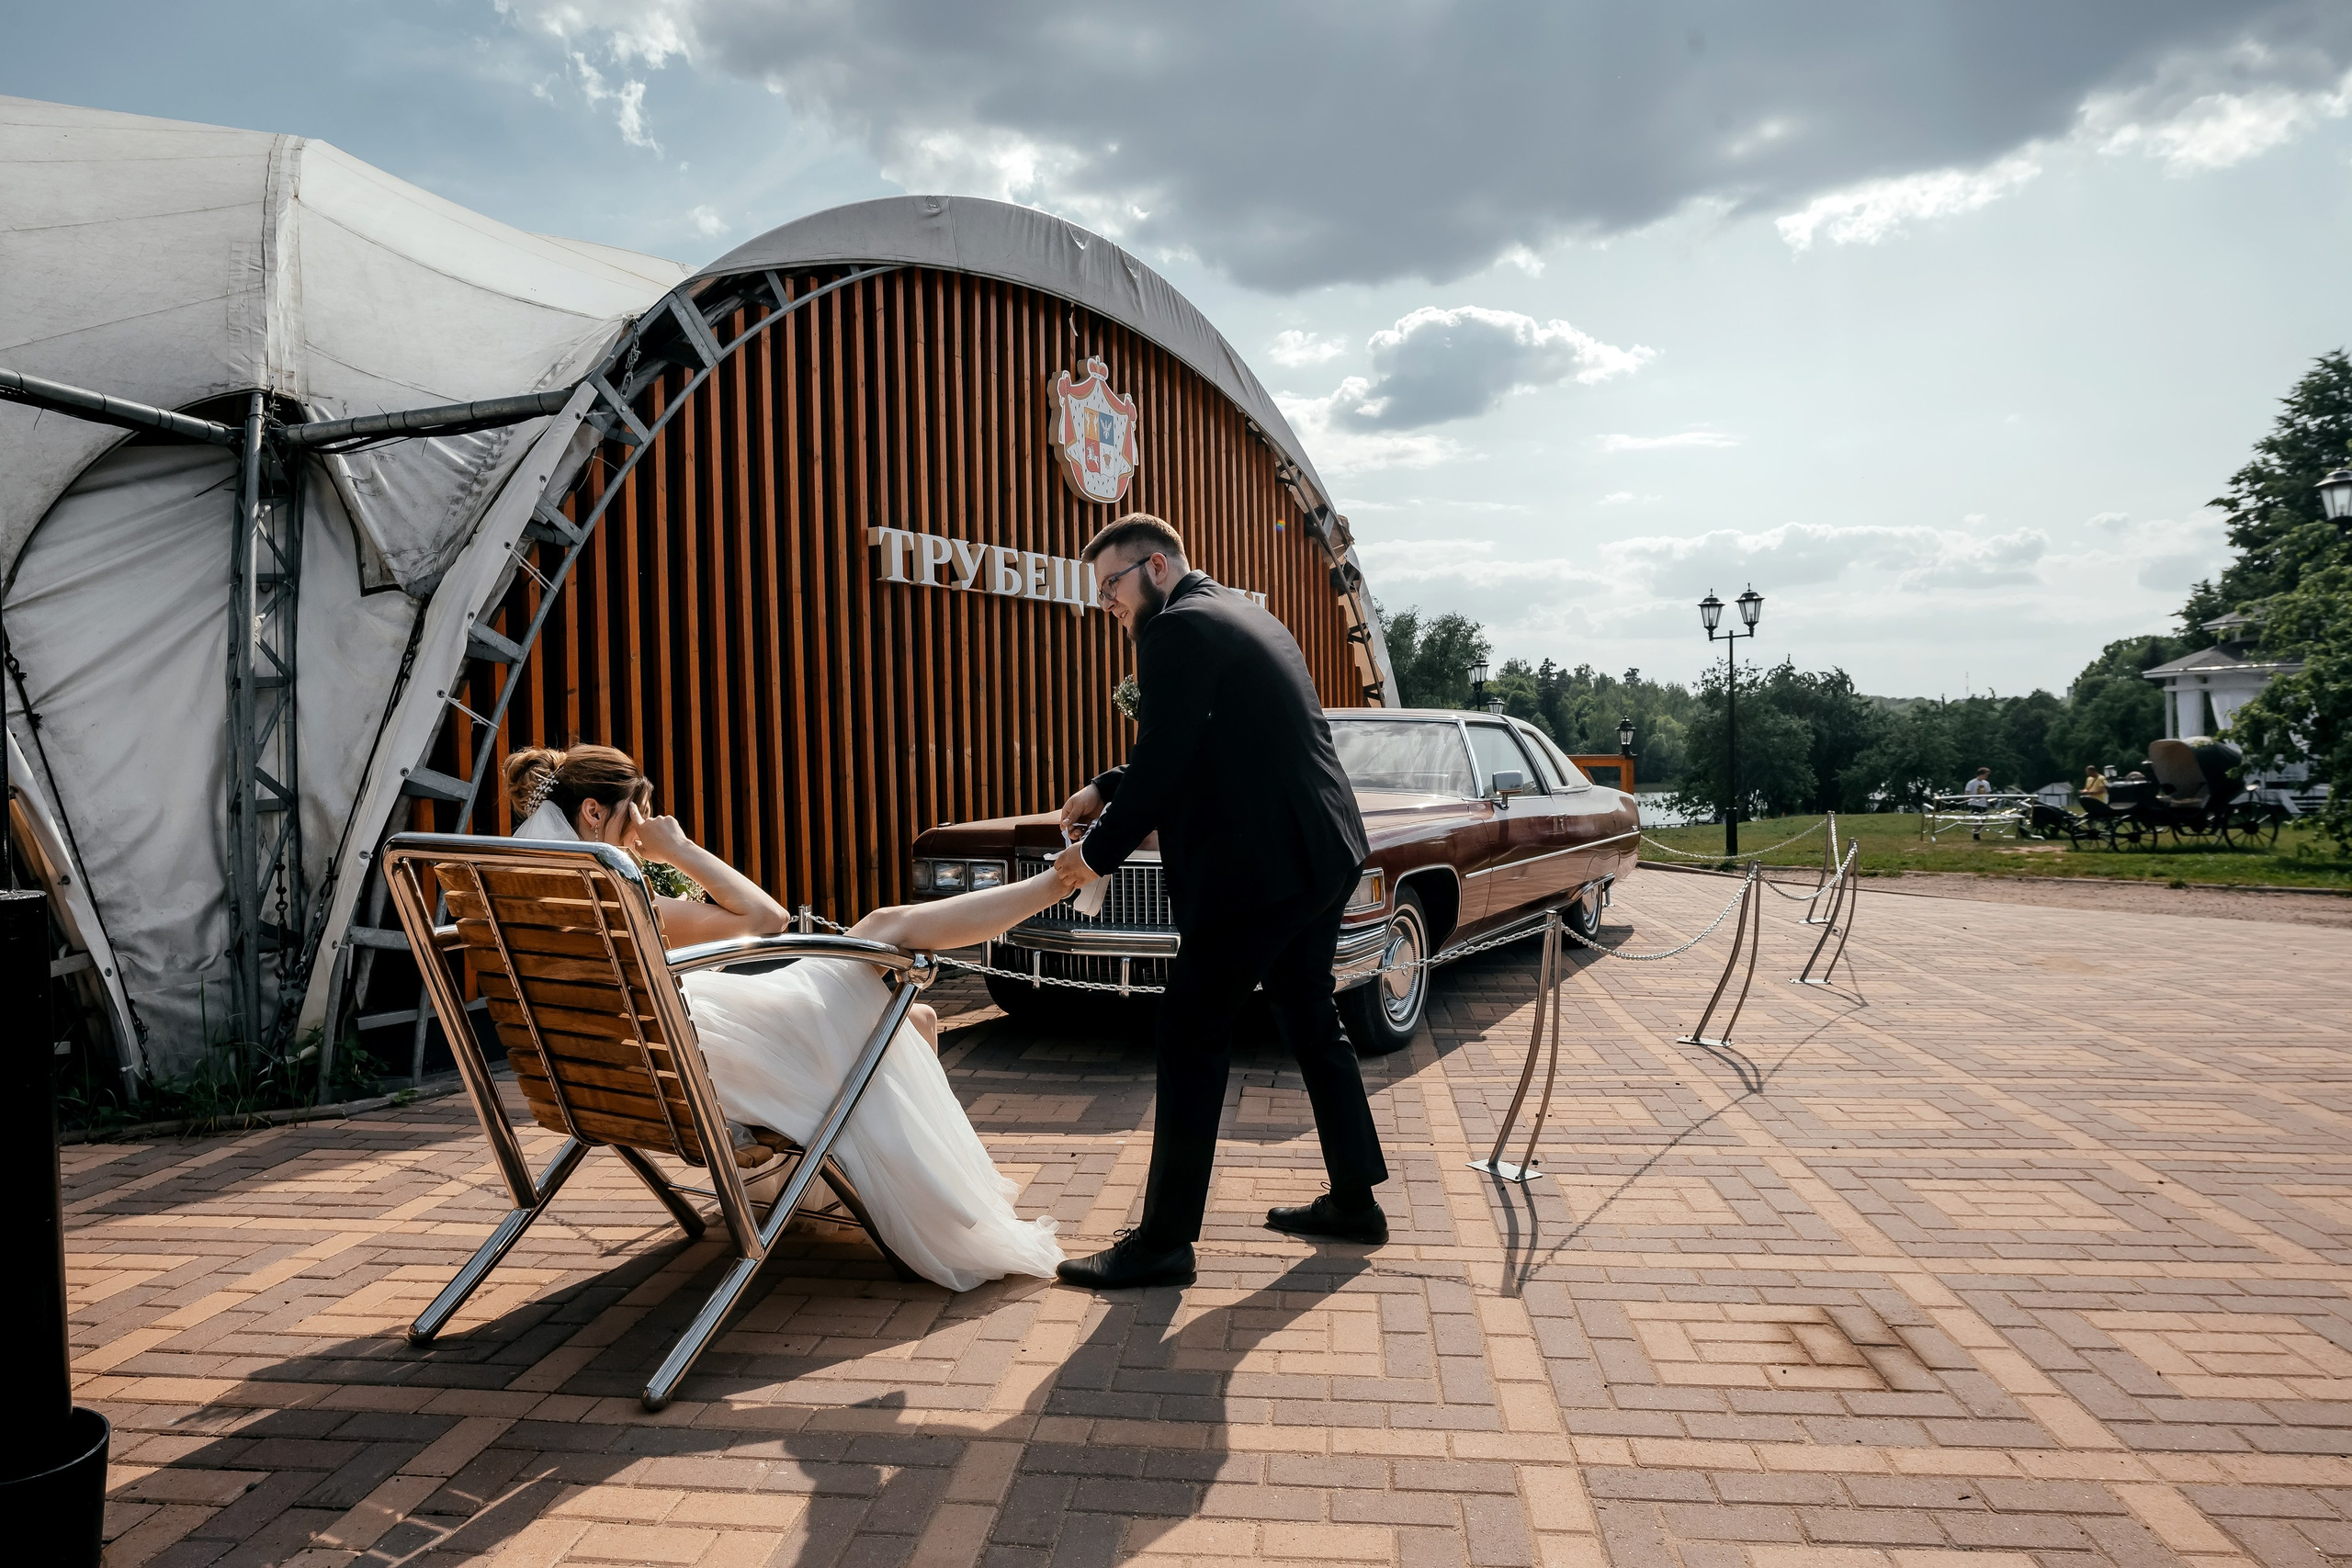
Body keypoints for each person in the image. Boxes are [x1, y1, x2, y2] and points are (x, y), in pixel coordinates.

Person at [504, 744, 1078, 1292]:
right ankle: (1061, 879)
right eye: (640, 811)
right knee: (884, 928)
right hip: (697, 1062)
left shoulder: (527, 901)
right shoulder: (614, 898)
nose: (646, 825)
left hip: (623, 1072)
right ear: (591, 810)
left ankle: (908, 1182)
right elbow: (766, 917)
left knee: (914, 1018)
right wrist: (677, 848)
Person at [1051, 514, 1390, 1292]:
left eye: (1112, 584)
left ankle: (1165, 1242)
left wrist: (1091, 856)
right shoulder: (1243, 613)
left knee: (1190, 1026)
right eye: (1099, 589)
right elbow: (1212, 743)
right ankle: (1354, 1199)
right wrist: (1107, 786)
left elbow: (1169, 763)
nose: (1106, 601)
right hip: (1325, 849)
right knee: (1309, 1012)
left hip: (1263, 869)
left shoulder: (1175, 632)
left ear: (1157, 567)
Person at [1963, 766, 1993, 839]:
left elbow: (1987, 793)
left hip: (1983, 803)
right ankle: (1976, 834)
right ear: (1981, 774)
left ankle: (1977, 831)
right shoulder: (1972, 782)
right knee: (1977, 818)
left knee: (1984, 818)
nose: (1987, 776)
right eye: (1986, 775)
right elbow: (1967, 792)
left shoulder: (1986, 783)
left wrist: (1990, 801)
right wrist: (1967, 800)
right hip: (1974, 803)